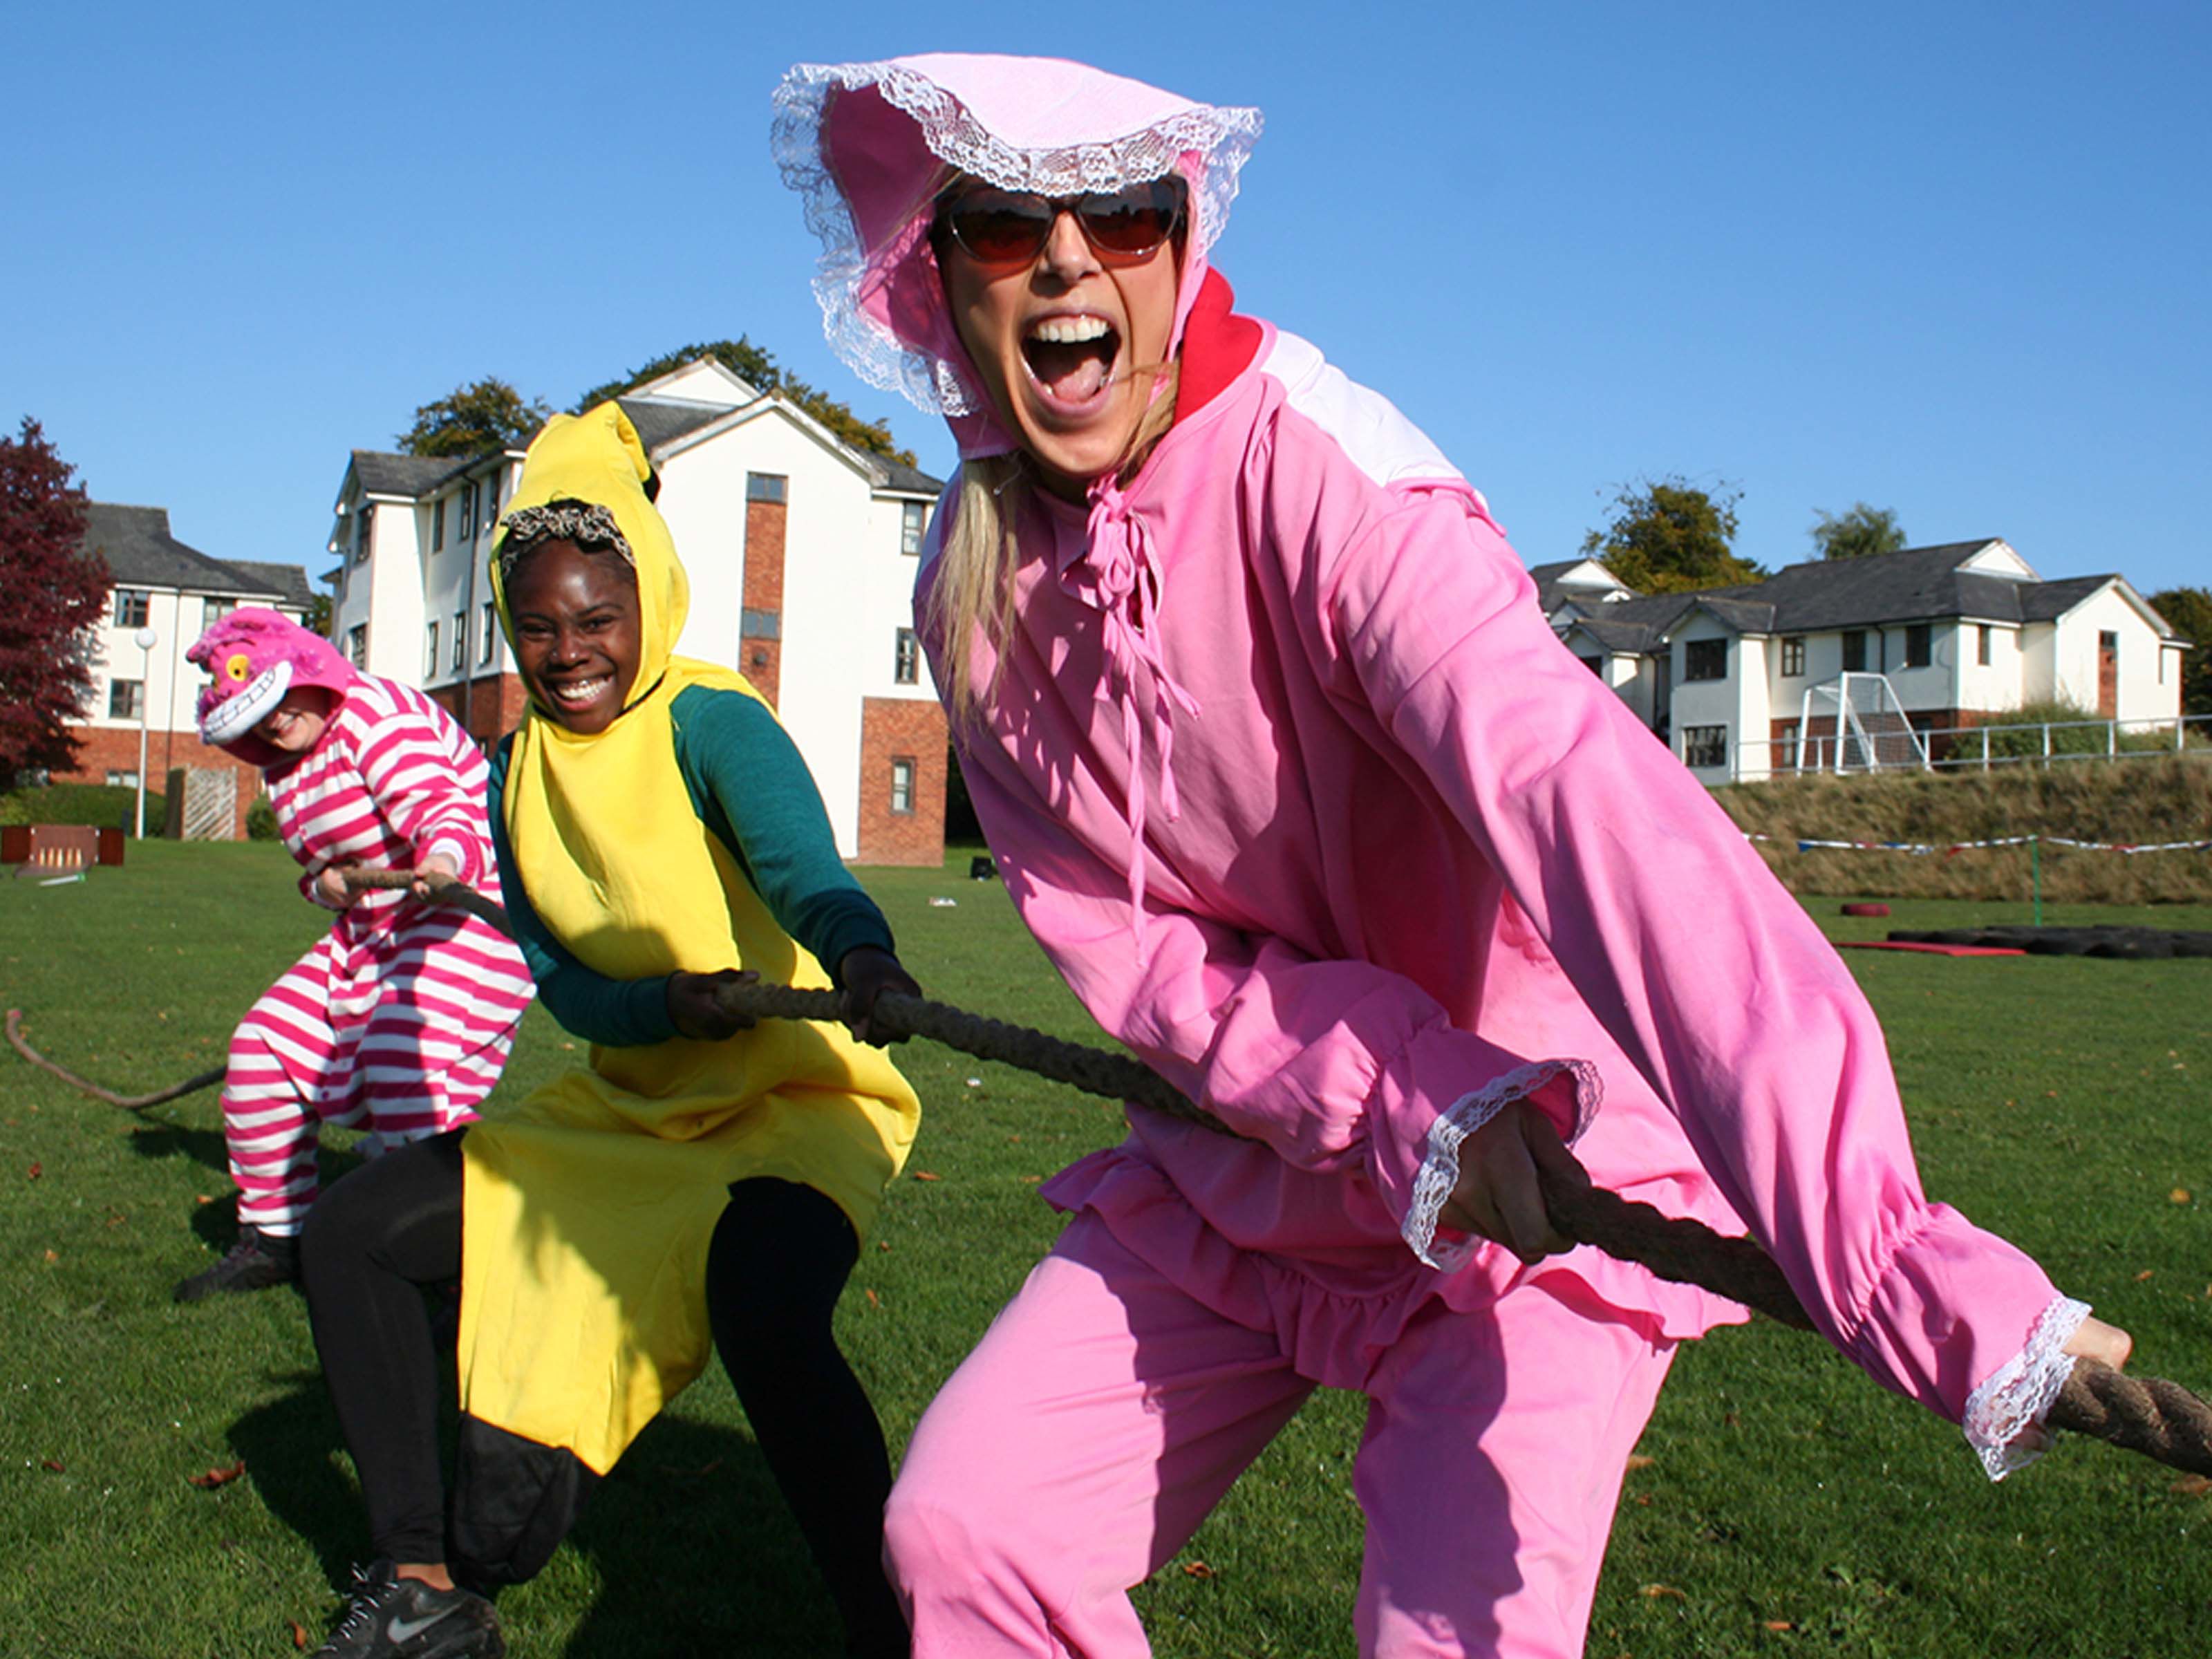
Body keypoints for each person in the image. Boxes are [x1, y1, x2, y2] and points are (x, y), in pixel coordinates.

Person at [772, 54, 2134, 1659]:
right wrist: (1402, 1091)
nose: (1069, 259)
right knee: (969, 1526)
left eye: (1121, 215)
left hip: (1549, 1166)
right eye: (1005, 225)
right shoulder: (972, 574)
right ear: (939, 276)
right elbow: (1127, 940)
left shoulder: (1333, 482)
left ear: (1178, 241)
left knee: (1455, 1634)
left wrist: (1887, 1248)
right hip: (1259, 1145)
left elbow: (1590, 814)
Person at [295, 404, 924, 1659]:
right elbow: (564, 985)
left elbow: (806, 872)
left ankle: (905, 1630)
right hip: (630, 1114)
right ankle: (420, 1585)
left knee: (765, 1307)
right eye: (539, 627)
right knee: (357, 1229)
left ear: (651, 599)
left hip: (793, 1107)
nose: (570, 652)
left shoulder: (712, 720)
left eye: (597, 620)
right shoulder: (509, 771)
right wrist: (657, 1007)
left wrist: (863, 956)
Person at [176, 608, 533, 1303]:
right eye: (255, 718)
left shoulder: (375, 713)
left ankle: (449, 1261)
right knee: (262, 1050)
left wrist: (444, 858)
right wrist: (326, 883)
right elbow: (316, 871)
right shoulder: (285, 767)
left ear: (309, 673)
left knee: (408, 1060)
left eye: (278, 701)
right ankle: (277, 1240)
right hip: (373, 929)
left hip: (467, 913)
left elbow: (441, 809)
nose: (273, 723)